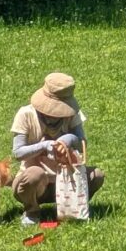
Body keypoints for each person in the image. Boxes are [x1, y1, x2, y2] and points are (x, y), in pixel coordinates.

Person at [11, 71, 104, 223]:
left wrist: (67, 139)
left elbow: (82, 143)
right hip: (36, 184)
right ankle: (32, 211)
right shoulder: (26, 114)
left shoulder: (72, 114)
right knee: (34, 174)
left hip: (66, 179)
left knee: (97, 175)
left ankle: (73, 206)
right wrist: (45, 146)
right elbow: (18, 152)